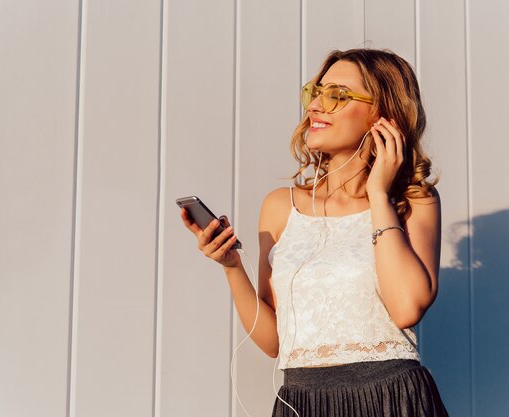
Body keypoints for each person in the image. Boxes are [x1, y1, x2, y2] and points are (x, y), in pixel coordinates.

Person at [181, 48, 449, 417]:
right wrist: (231, 266)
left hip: (391, 398)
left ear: (382, 115)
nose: (316, 106)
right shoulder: (279, 206)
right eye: (315, 92)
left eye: (337, 95)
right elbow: (275, 341)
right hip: (303, 402)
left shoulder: (413, 200)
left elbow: (406, 308)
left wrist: (377, 195)